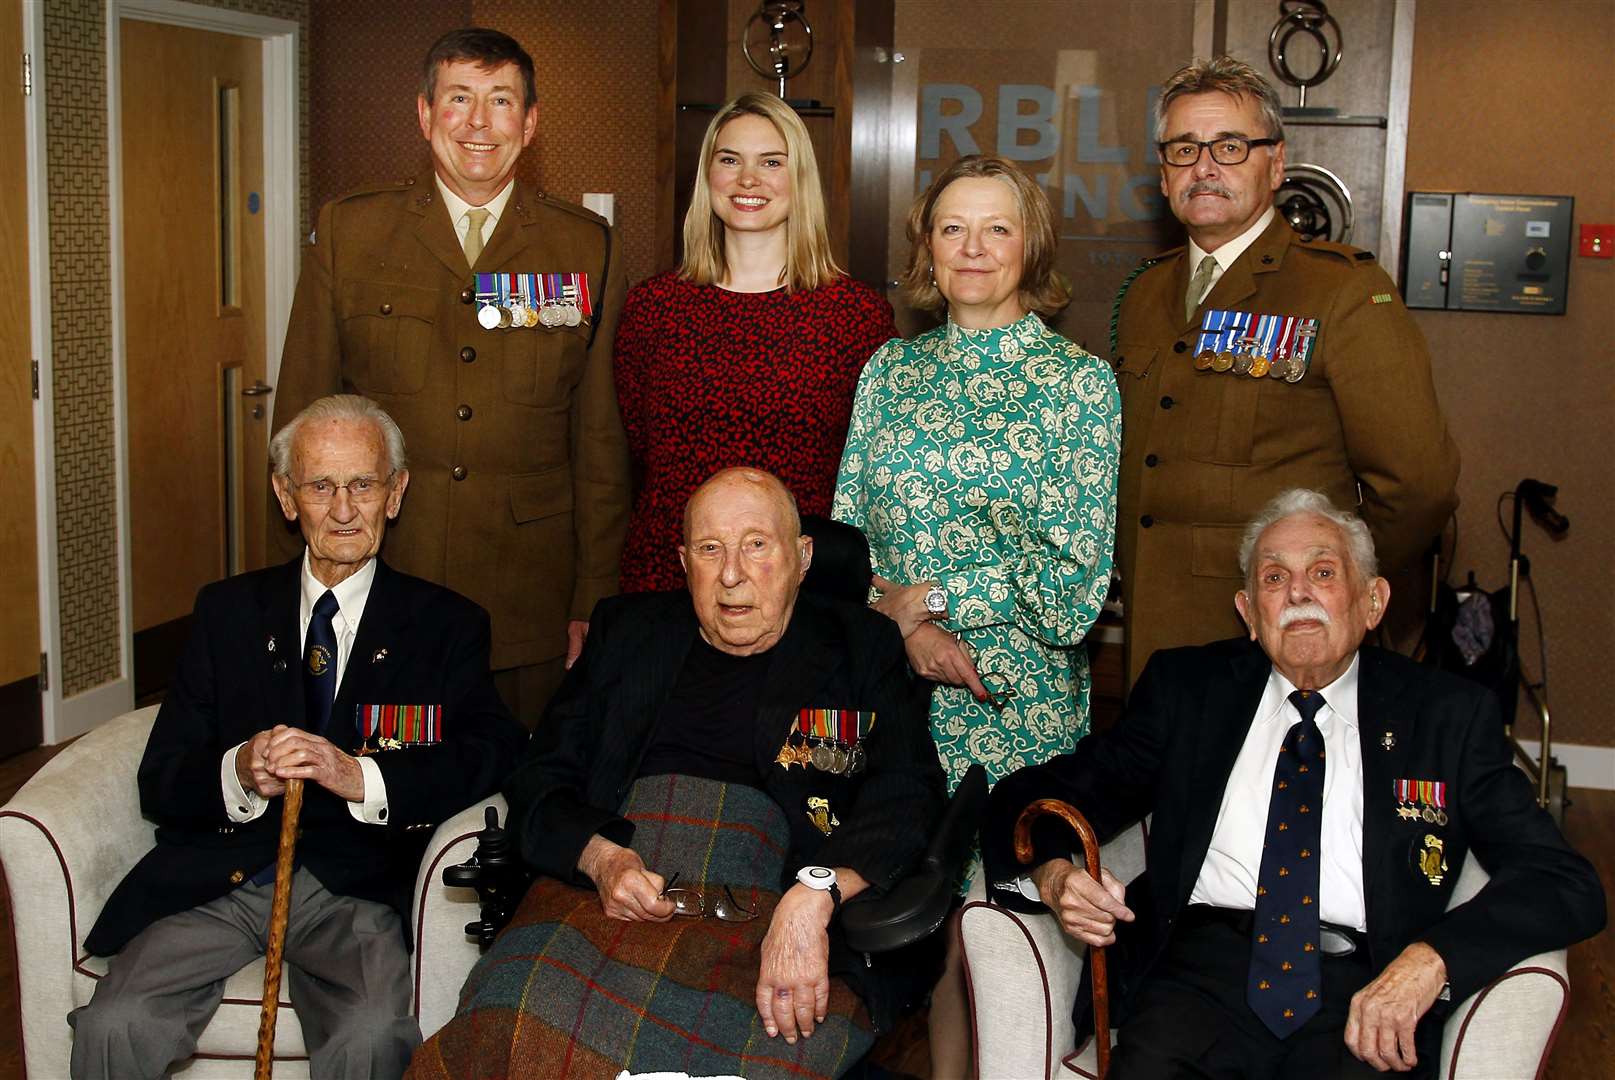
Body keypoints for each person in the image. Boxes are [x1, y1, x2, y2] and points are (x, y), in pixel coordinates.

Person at [984, 488, 1605, 1080]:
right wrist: (1054, 873)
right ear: (1249, 613)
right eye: (1274, 578)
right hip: (1199, 979)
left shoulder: (1445, 716)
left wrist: (1430, 961)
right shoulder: (1190, 691)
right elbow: (1036, 798)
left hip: (1365, 987)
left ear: (1373, 602)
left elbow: (1563, 882)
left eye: (1325, 573)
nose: (1298, 593)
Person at [408, 468, 946, 1080]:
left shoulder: (861, 645)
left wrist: (816, 896)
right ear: (683, 561)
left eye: (756, 545)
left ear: (802, 558)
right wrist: (600, 857)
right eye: (710, 549)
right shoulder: (626, 632)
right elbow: (539, 772)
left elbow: (909, 793)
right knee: (502, 1027)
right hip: (606, 901)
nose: (732, 574)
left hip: (774, 910)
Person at [69, 395, 526, 1080]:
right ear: (287, 497)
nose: (343, 509)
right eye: (320, 486)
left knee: (371, 1036)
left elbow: (493, 753)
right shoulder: (226, 613)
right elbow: (162, 777)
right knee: (114, 1024)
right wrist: (240, 772)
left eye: (363, 484)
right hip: (216, 878)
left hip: (358, 887)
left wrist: (361, 778)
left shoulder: (445, 625)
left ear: (395, 493)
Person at [832, 152, 1119, 1077]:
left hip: (1012, 699)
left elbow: (1073, 589)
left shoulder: (1079, 386)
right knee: (907, 921)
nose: (973, 247)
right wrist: (902, 622)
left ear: (1030, 243)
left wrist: (943, 598)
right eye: (952, 226)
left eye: (997, 227)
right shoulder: (887, 370)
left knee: (992, 932)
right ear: (925, 244)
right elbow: (846, 542)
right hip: (893, 688)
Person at [271, 27, 630, 726]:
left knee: (513, 795)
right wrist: (293, 586)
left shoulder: (585, 247)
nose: (477, 123)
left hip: (526, 594)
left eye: (500, 101)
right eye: (458, 98)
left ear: (529, 124)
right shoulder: (352, 232)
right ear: (424, 113)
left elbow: (600, 444)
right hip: (380, 577)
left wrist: (593, 596)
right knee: (378, 784)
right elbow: (299, 428)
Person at [1112, 56, 1460, 691]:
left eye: (1231, 146)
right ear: (1163, 175)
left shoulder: (1341, 290)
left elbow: (1418, 484)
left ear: (1276, 164)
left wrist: (1340, 583)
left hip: (1280, 641)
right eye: (1185, 149)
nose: (1205, 167)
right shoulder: (1144, 294)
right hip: (1154, 633)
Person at [613, 92, 896, 592]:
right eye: (730, 160)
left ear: (799, 179)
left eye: (771, 162)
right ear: (708, 177)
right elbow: (634, 451)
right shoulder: (652, 307)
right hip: (667, 581)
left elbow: (875, 471)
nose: (748, 180)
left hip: (802, 590)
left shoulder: (855, 316)